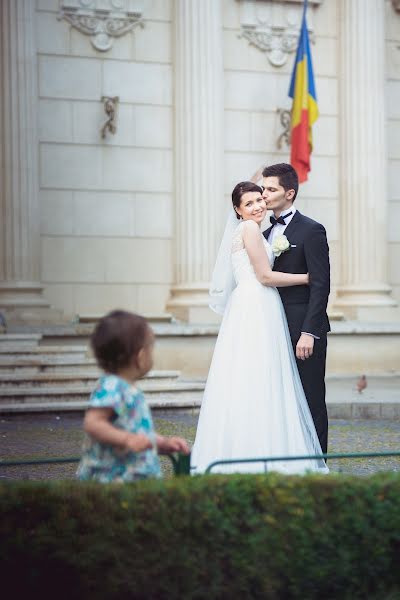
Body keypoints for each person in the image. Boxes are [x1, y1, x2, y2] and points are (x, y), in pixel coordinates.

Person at [190, 181, 328, 474]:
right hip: (256, 302)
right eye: (249, 203)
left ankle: (249, 450)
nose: (258, 206)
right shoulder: (251, 229)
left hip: (256, 304)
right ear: (238, 211)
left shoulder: (256, 231)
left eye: (259, 200)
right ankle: (265, 453)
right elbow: (265, 276)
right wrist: (307, 277)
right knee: (262, 375)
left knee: (253, 376)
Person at [262, 163, 330, 454]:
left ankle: (318, 463)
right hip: (273, 327)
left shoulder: (312, 230)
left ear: (289, 193)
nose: (264, 194)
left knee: (311, 396)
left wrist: (309, 332)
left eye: (271, 189)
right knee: (280, 399)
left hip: (302, 327)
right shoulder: (263, 235)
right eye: (263, 188)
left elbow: (320, 284)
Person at [77, 310, 189, 482]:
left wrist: (163, 443)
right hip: (112, 483)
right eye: (151, 348)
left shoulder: (128, 389)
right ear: (141, 356)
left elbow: (139, 432)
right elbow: (93, 423)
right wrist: (127, 439)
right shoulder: (112, 386)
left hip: (133, 481)